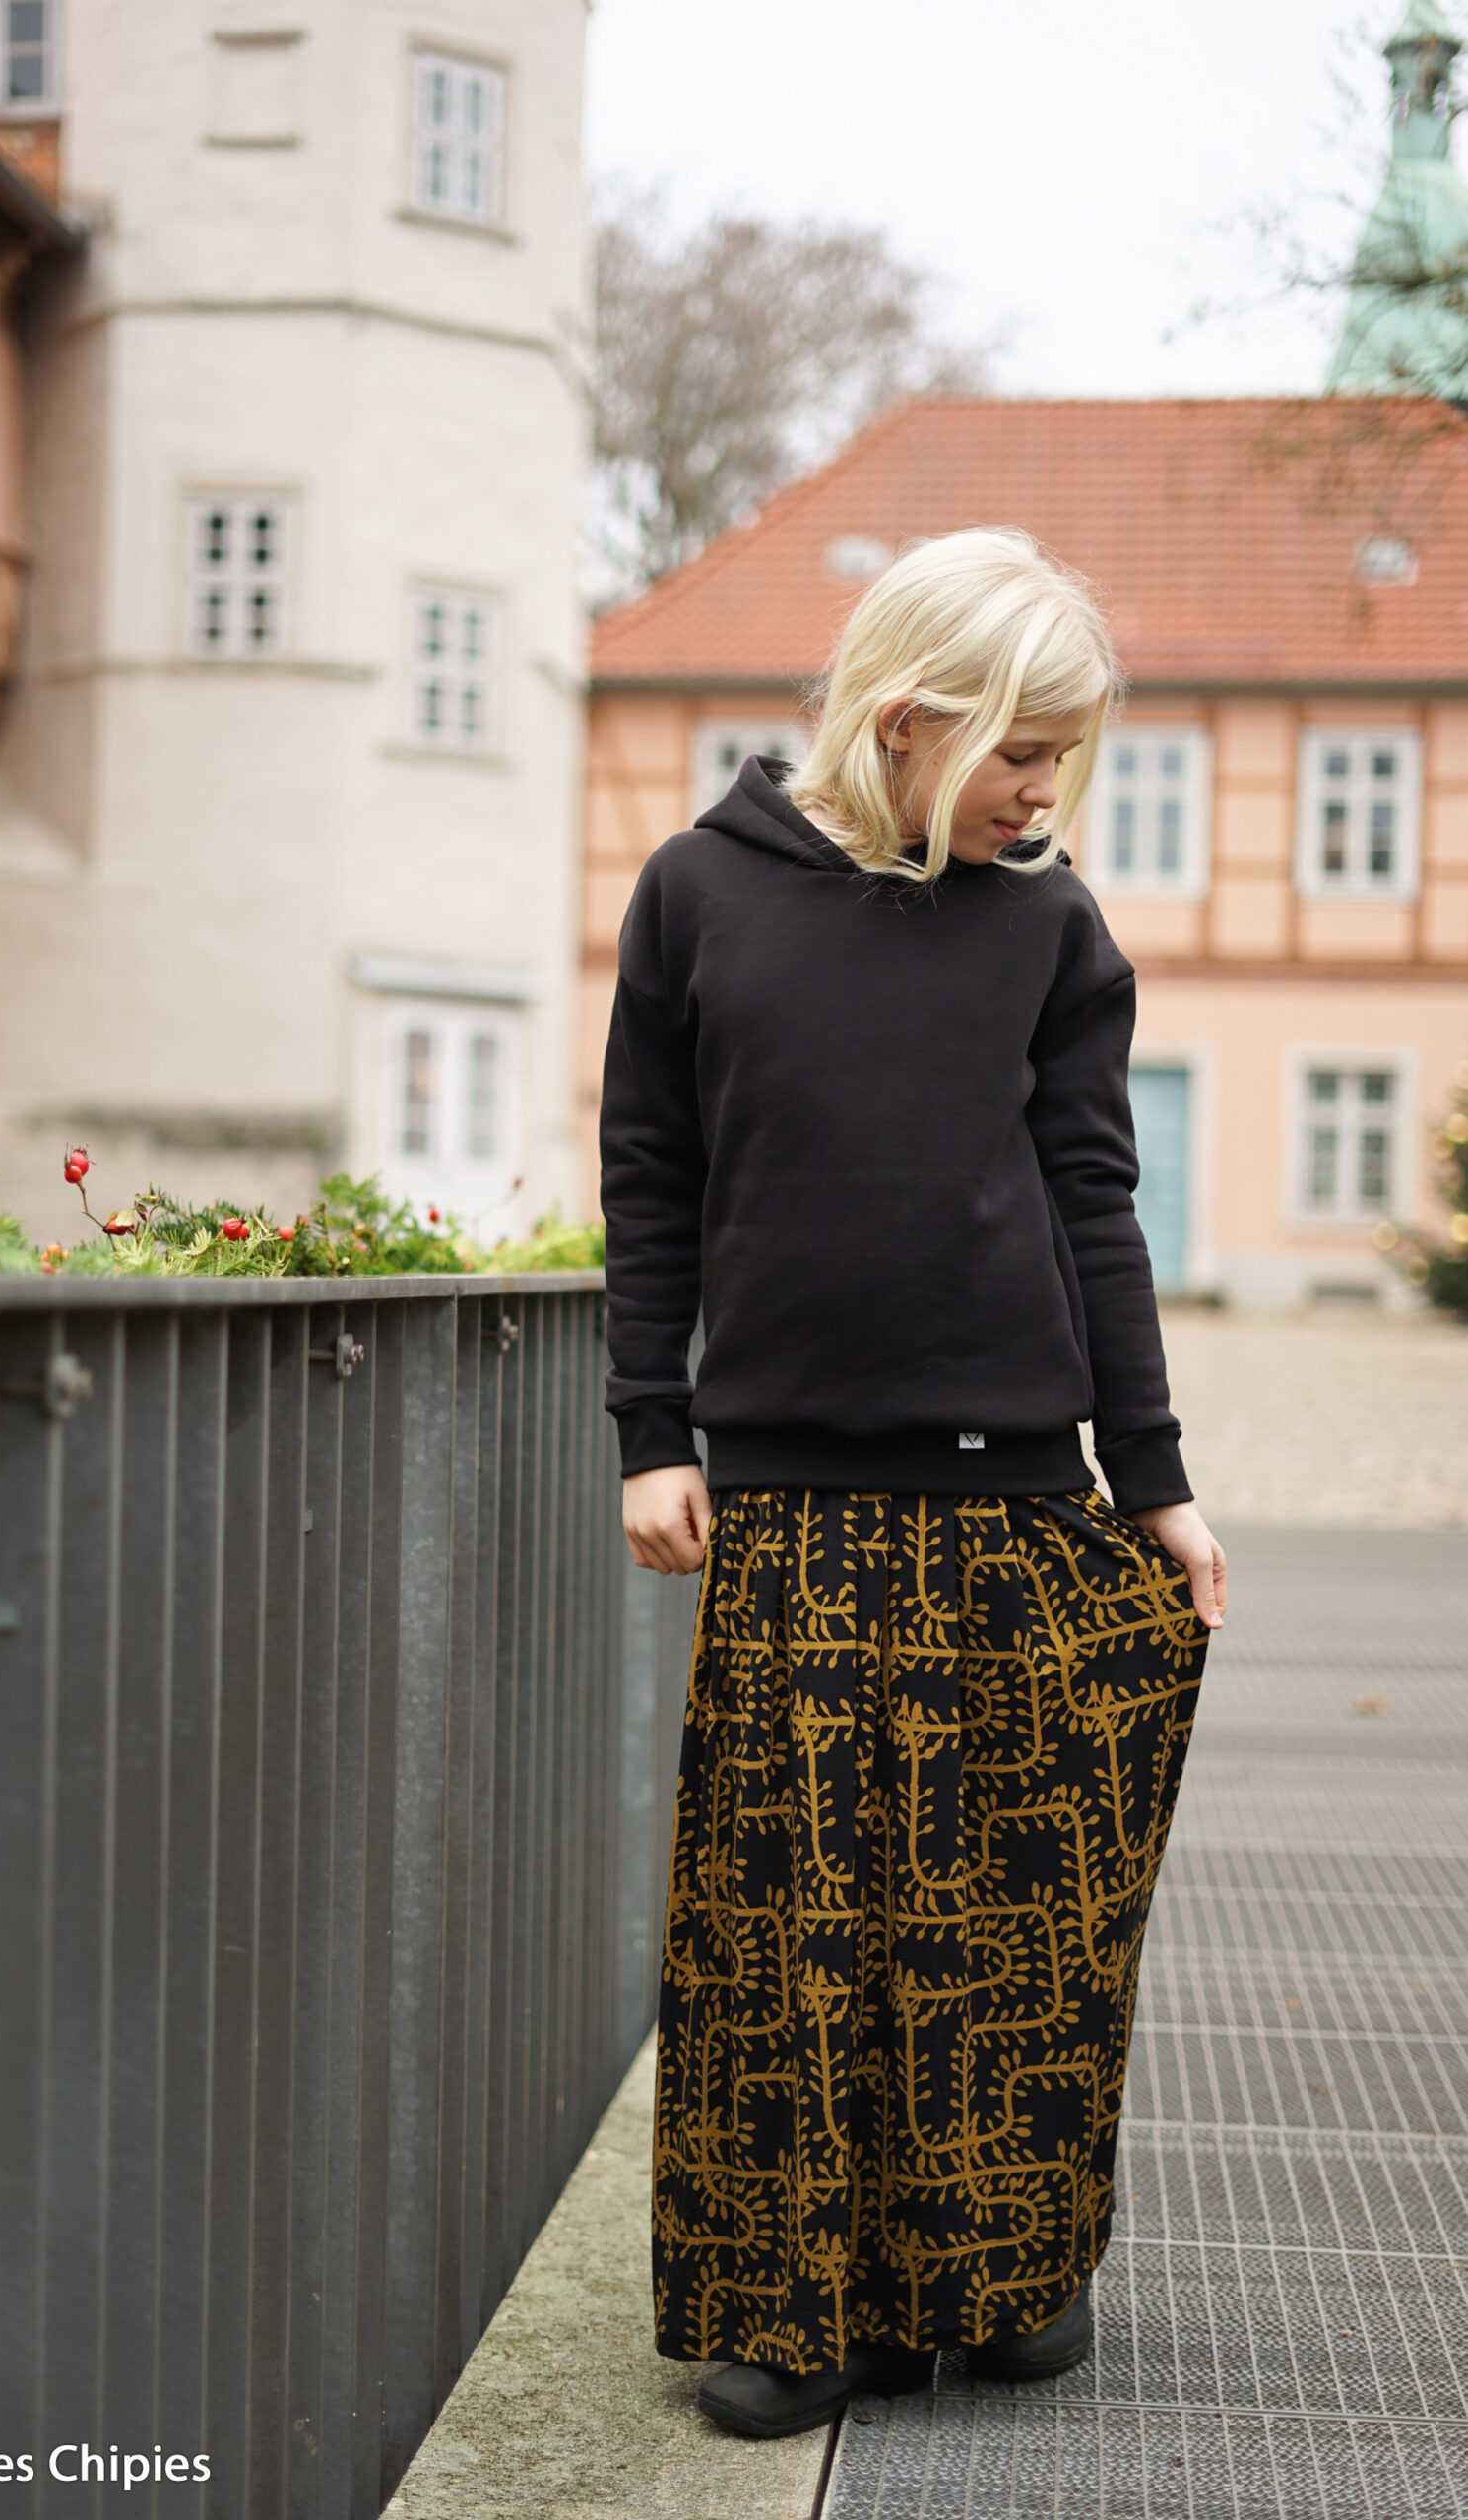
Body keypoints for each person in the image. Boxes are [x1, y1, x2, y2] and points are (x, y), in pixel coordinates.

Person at [599, 527, 1225, 2442]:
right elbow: (650, 1170)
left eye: (1063, 758)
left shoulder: (1047, 925)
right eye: (1023, 753)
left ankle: (999, 2268)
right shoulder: (700, 890)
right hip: (787, 1502)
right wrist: (651, 1428)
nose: (1045, 793)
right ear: (907, 717)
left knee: (1004, 1905)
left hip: (1013, 1500)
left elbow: (1094, 1203)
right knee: (787, 1912)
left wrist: (1157, 1480)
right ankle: (789, 2308)